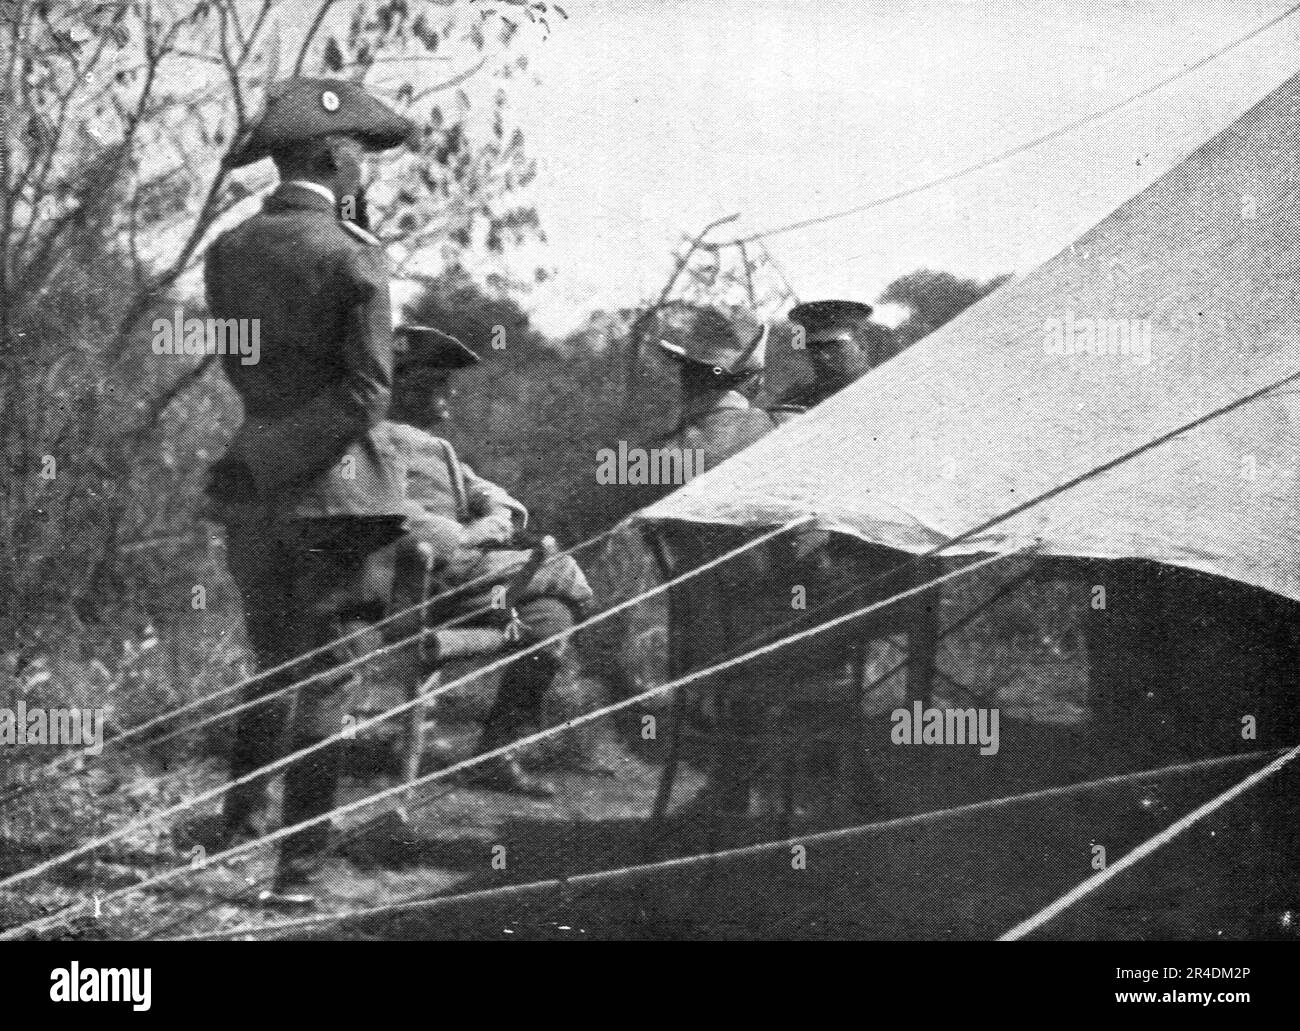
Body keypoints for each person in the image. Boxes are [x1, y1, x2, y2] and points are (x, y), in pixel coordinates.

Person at [193, 78, 414, 905]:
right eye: (360, 151)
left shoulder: (229, 250)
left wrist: (260, 459)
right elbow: (366, 394)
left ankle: (238, 825)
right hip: (338, 499)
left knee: (271, 661)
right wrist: (287, 459)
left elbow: (245, 366)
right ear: (332, 154)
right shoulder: (353, 254)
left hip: (253, 493)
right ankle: (298, 871)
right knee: (326, 677)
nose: (365, 166)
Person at [384, 326, 594, 799]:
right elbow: (395, 517)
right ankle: (588, 636)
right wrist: (472, 534)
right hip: (417, 586)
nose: (449, 395)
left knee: (550, 621)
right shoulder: (377, 443)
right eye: (438, 385)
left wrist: (495, 514)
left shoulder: (432, 445)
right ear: (406, 387)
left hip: (462, 581)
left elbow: (491, 494)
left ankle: (494, 754)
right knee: (562, 571)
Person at [639, 306, 782, 815]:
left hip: (698, 638)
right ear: (757, 379)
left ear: (686, 377)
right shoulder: (785, 436)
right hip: (785, 641)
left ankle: (732, 780)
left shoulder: (657, 455)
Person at [769, 299, 889, 424]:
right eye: (814, 349)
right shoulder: (797, 402)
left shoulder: (885, 385)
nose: (824, 356)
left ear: (861, 345)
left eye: (835, 346)